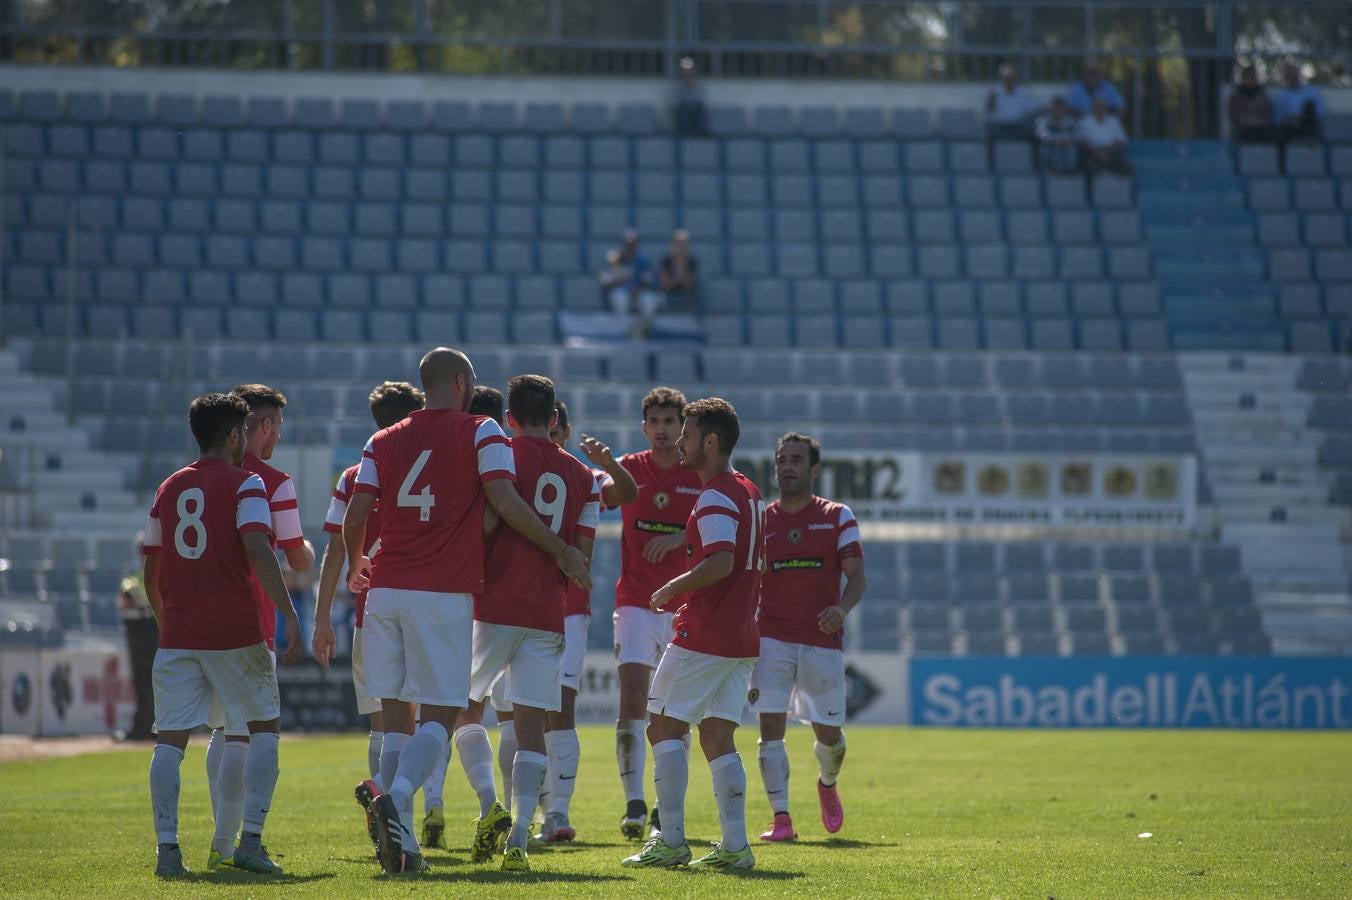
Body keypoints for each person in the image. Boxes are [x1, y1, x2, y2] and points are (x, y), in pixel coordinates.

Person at [342, 347, 589, 875]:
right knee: (442, 712)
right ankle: (398, 796)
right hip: (443, 591)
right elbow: (500, 501)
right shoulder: (481, 431)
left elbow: (358, 509)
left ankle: (401, 846)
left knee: (393, 719)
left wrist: (355, 560)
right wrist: (559, 548)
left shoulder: (380, 438)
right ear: (459, 382)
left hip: (383, 591)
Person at [142, 393, 302, 878]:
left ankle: (168, 851)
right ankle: (249, 840)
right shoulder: (246, 483)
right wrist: (289, 613)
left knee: (169, 742)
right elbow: (258, 550)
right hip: (236, 632)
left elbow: (150, 564)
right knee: (263, 730)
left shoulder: (170, 486)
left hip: (179, 633)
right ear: (235, 435)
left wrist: (163, 616)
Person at [450, 375, 600, 873]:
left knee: (463, 713)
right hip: (547, 611)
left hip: (492, 605)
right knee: (533, 727)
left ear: (508, 418)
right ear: (555, 419)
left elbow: (487, 524)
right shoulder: (584, 477)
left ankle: (490, 803)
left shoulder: (499, 457)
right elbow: (582, 557)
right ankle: (519, 835)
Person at [621, 397, 764, 871]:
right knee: (718, 736)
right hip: (742, 636)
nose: (679, 441)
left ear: (710, 441)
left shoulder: (717, 494)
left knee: (662, 724)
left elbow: (720, 561)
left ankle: (672, 840)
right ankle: (736, 847)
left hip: (707, 632)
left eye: (687, 433)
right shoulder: (749, 490)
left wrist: (671, 588)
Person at [202, 384, 314, 873]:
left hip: (196, 622)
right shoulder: (272, 481)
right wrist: (307, 552)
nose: (276, 439)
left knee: (221, 733)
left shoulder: (195, 476)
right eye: (277, 428)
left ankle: (220, 842)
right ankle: (240, 841)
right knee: (248, 733)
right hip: (251, 619)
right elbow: (296, 558)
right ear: (263, 427)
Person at [311, 381, 427, 852]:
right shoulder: (434, 469)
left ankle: (385, 816)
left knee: (382, 723)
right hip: (422, 607)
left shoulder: (355, 475)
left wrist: (321, 618)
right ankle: (403, 827)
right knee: (415, 723)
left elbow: (337, 549)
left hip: (368, 613)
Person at [752, 433, 866, 842]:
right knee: (770, 726)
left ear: (814, 469)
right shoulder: (762, 518)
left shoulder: (838, 516)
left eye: (797, 460)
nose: (787, 466)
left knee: (828, 736)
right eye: (782, 459)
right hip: (771, 637)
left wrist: (841, 609)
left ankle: (827, 782)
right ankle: (781, 819)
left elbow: (856, 578)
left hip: (821, 640)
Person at [537, 399, 637, 843]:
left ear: (565, 432)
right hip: (514, 605)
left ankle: (556, 812)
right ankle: (524, 809)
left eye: (558, 436)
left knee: (560, 707)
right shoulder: (510, 470)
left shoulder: (585, 476)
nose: (552, 444)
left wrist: (609, 462)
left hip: (567, 610)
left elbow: (626, 492)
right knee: (516, 710)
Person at [609, 387, 703, 841]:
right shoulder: (629, 469)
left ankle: (667, 809)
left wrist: (678, 544)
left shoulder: (696, 475)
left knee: (674, 710)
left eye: (671, 422)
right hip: (635, 604)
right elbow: (593, 498)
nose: (663, 430)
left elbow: (710, 542)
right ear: (644, 427)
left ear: (682, 428)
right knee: (632, 701)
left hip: (682, 605)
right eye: (655, 422)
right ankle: (633, 802)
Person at [118, 555, 158, 742]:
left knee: (145, 681)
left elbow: (125, 601)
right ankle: (148, 726)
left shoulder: (135, 579)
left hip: (143, 630)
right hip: (150, 628)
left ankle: (144, 727)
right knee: (150, 682)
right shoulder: (141, 576)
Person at [600, 230, 661, 339]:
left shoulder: (643, 261)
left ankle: (645, 331)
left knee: (649, 300)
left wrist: (638, 290)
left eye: (633, 243)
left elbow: (648, 280)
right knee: (619, 297)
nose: (630, 246)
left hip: (639, 292)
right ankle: (622, 332)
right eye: (628, 243)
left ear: (637, 244)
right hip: (622, 291)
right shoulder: (616, 259)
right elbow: (606, 280)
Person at [1076, 96, 1132, 176]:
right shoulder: (1085, 121)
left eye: (1102, 107)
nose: (1099, 109)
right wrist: (1097, 153)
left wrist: (1106, 152)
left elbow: (1121, 140)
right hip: (1092, 152)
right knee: (1087, 161)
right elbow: (1081, 140)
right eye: (1097, 107)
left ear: (1106, 108)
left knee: (1123, 162)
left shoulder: (1114, 121)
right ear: (1092, 108)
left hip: (1111, 151)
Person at [985, 62, 1040, 141]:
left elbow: (1033, 109)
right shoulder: (994, 93)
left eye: (1011, 78)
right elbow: (989, 112)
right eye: (1006, 78)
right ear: (1002, 79)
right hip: (1000, 127)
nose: (1009, 80)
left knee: (1032, 130)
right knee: (990, 130)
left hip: (1019, 127)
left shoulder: (1023, 92)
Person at [1273, 61, 1324, 143]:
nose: (1293, 78)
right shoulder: (1281, 96)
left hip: (1308, 124)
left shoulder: (1312, 92)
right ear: (1286, 77)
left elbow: (1319, 111)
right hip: (1290, 127)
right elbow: (1278, 118)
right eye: (1291, 76)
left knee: (1309, 108)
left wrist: (1301, 116)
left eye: (1295, 75)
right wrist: (1292, 119)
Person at [1229, 64, 1276, 143]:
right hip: (1243, 130)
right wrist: (1250, 122)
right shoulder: (1236, 97)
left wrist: (1258, 123)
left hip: (1261, 129)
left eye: (1254, 77)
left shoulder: (1263, 96)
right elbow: (1235, 116)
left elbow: (1268, 115)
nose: (1252, 80)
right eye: (1249, 77)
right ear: (1244, 79)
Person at [1035, 96, 1080, 174]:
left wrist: (1065, 141)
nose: (1058, 110)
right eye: (1056, 107)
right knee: (1046, 150)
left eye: (1061, 108)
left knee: (1072, 149)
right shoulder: (1043, 120)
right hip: (1050, 147)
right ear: (1051, 108)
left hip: (1066, 146)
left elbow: (1077, 135)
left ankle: (1069, 171)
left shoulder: (1071, 121)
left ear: (1065, 109)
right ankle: (1053, 171)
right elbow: (1041, 135)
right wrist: (1055, 141)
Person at [658, 229, 700, 312]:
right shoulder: (666, 261)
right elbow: (664, 284)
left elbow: (689, 285)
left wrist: (682, 264)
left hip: (687, 296)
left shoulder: (692, 261)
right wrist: (678, 280)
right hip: (668, 295)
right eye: (678, 243)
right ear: (673, 244)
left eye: (683, 243)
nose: (681, 246)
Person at [671, 55, 707, 137]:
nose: (687, 72)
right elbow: (673, 102)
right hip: (682, 111)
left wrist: (692, 87)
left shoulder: (698, 85)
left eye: (689, 70)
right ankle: (684, 135)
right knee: (683, 111)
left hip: (695, 110)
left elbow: (700, 99)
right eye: (685, 70)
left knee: (700, 110)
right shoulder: (675, 85)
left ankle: (700, 135)